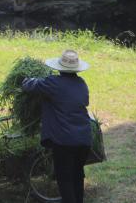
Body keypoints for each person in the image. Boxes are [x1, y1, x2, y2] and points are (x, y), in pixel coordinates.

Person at [22, 50, 91, 203]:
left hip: (65, 141)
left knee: (64, 179)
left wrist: (25, 80)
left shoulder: (54, 83)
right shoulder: (82, 84)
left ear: (60, 68)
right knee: (77, 175)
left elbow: (31, 86)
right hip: (84, 139)